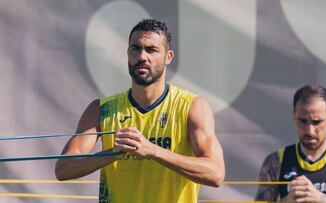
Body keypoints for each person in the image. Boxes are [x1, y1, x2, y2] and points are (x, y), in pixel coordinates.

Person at [55, 19, 225, 203]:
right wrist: (112, 153)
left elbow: (215, 173)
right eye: (135, 49)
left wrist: (152, 150)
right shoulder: (102, 108)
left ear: (168, 57)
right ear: (128, 54)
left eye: (151, 50)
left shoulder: (192, 106)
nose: (142, 56)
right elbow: (63, 169)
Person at [255, 85, 326, 202]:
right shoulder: (276, 161)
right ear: (294, 116)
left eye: (317, 122)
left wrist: (321, 199)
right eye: (303, 121)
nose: (310, 130)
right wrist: (287, 200)